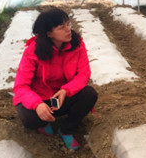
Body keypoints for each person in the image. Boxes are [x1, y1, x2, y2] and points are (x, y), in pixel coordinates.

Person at [13, 8, 98, 150]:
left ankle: (66, 130)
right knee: (29, 118)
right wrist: (37, 105)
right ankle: (43, 122)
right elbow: (21, 86)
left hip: (61, 97)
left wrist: (66, 90)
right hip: (40, 97)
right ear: (48, 33)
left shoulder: (76, 44)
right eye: (61, 27)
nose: (68, 29)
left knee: (89, 94)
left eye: (68, 24)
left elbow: (83, 74)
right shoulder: (34, 50)